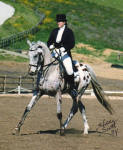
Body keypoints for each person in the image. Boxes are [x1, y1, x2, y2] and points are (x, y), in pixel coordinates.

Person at [47, 14, 77, 98]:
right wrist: (50, 46)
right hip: (55, 52)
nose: (58, 23)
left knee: (69, 69)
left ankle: (72, 88)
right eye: (57, 21)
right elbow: (49, 41)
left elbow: (72, 43)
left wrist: (64, 48)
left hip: (65, 53)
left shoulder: (69, 31)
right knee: (46, 64)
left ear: (64, 22)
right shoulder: (54, 31)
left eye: (59, 21)